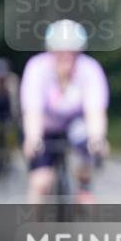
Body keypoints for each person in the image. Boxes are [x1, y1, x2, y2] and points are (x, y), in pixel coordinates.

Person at [20, 20, 110, 204]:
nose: (66, 58)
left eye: (72, 53)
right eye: (60, 53)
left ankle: (84, 188)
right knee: (40, 182)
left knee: (89, 149)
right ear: (51, 51)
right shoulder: (37, 68)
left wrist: (97, 139)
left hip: (75, 125)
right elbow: (32, 110)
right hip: (45, 127)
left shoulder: (89, 69)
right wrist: (33, 138)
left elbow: (95, 111)